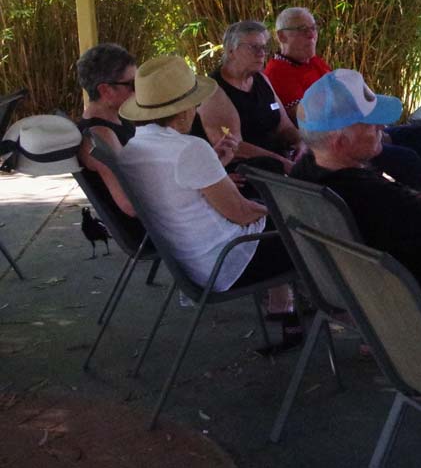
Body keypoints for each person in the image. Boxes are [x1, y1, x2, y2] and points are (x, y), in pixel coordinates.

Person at [119, 55, 295, 326]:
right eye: (196, 104)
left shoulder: (133, 149)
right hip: (225, 262)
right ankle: (334, 313)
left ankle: (284, 309)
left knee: (268, 208)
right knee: (313, 234)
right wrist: (281, 210)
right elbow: (242, 214)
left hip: (191, 262)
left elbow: (179, 186)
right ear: (183, 111)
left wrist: (214, 163)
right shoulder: (190, 148)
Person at [289, 69, 421, 285]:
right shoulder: (377, 198)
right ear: (341, 142)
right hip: (410, 290)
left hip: (352, 286)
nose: (382, 127)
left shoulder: (301, 175)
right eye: (370, 122)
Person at [263, 6, 421, 168]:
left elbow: (347, 96)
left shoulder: (314, 62)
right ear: (282, 36)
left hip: (358, 130)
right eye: (302, 29)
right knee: (408, 158)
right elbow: (307, 117)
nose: (311, 35)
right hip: (337, 143)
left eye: (313, 28)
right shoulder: (278, 72)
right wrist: (367, 130)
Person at [198, 20, 302, 173]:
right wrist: (284, 164)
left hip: (278, 162)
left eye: (263, 47)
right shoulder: (213, 90)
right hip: (246, 172)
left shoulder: (261, 79)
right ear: (231, 51)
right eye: (253, 47)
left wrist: (300, 143)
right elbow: (235, 148)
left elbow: (284, 126)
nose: (261, 53)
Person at [75, 44, 140, 234]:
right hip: (149, 231)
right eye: (132, 85)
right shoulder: (100, 136)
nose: (138, 91)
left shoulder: (116, 119)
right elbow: (130, 204)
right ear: (105, 90)